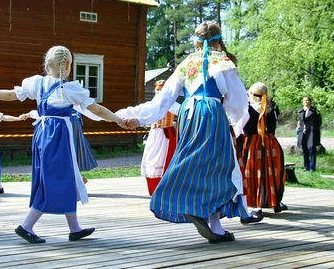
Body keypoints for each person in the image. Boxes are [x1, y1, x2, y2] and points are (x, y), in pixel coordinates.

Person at [0, 45, 126, 244]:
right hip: (58, 137)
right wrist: (118, 119)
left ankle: (74, 228)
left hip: (43, 134)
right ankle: (26, 225)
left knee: (65, 177)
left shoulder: (37, 84)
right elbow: (97, 110)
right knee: (55, 179)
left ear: (47, 64)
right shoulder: (69, 88)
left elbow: (11, 95)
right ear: (67, 65)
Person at [118, 21, 249, 244]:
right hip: (212, 112)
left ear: (196, 41)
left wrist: (137, 118)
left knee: (192, 161)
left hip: (189, 114)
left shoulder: (187, 63)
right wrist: (233, 118)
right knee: (218, 167)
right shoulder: (223, 62)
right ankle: (215, 225)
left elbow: (163, 100)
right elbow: (239, 100)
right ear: (218, 40)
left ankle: (193, 206)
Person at [242, 82, 287, 219]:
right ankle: (275, 202)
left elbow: (243, 129)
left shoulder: (248, 110)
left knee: (257, 172)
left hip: (255, 144)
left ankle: (257, 205)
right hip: (271, 143)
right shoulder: (271, 109)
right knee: (273, 171)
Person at [129, 80, 180, 196]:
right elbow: (142, 113)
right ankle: (154, 189)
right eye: (157, 89)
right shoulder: (152, 103)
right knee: (151, 159)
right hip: (154, 134)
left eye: (161, 89)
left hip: (166, 134)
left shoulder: (171, 103)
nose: (159, 92)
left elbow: (183, 111)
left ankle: (166, 189)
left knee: (163, 159)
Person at [297, 96, 322, 172]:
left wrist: (314, 129)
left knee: (312, 150)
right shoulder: (300, 111)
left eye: (307, 100)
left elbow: (319, 122)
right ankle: (306, 166)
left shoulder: (314, 111)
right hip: (303, 132)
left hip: (311, 132)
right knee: (305, 150)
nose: (306, 102)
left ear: (310, 101)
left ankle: (312, 167)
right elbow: (299, 121)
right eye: (304, 100)